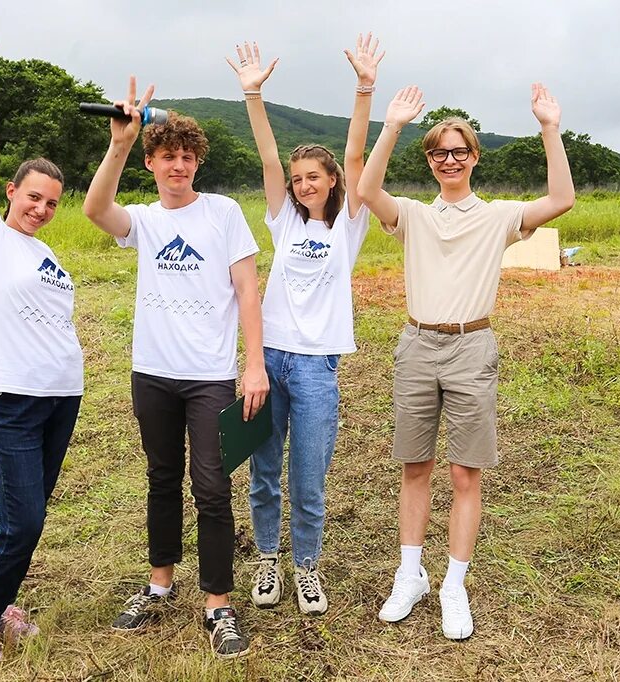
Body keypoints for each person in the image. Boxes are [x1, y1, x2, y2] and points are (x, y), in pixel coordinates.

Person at [356, 84, 575, 638]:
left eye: (458, 151)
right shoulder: (411, 215)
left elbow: (560, 200)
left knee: (464, 470)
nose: (449, 160)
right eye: (439, 153)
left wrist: (550, 128)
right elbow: (365, 188)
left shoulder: (499, 216)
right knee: (414, 465)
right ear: (429, 162)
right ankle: (411, 575)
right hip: (417, 344)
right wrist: (393, 126)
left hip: (472, 345)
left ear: (474, 157)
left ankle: (454, 583)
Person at [82, 77, 269, 659]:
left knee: (211, 487)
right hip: (153, 373)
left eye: (188, 157)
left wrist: (253, 365)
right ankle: (160, 583)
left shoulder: (222, 213)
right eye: (168, 157)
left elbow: (246, 290)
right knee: (162, 477)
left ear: (197, 163)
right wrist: (119, 141)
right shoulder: (143, 220)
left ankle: (218, 603)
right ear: (152, 162)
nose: (178, 166)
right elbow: (95, 209)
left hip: (210, 374)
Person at [225, 35, 380, 615]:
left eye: (314, 177)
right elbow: (267, 159)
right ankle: (268, 559)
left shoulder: (350, 226)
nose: (303, 184)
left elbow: (360, 155)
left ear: (333, 180)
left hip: (316, 368)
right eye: (297, 179)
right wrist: (253, 95)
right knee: (265, 471)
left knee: (308, 478)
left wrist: (365, 89)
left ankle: (305, 565)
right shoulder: (285, 223)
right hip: (271, 363)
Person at [0, 28, 84, 667]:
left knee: (30, 511)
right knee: (22, 519)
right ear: (10, 192)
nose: (42, 208)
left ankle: (3, 598)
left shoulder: (46, 250)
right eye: (33, 196)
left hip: (61, 396)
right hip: (11, 397)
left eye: (52, 202)